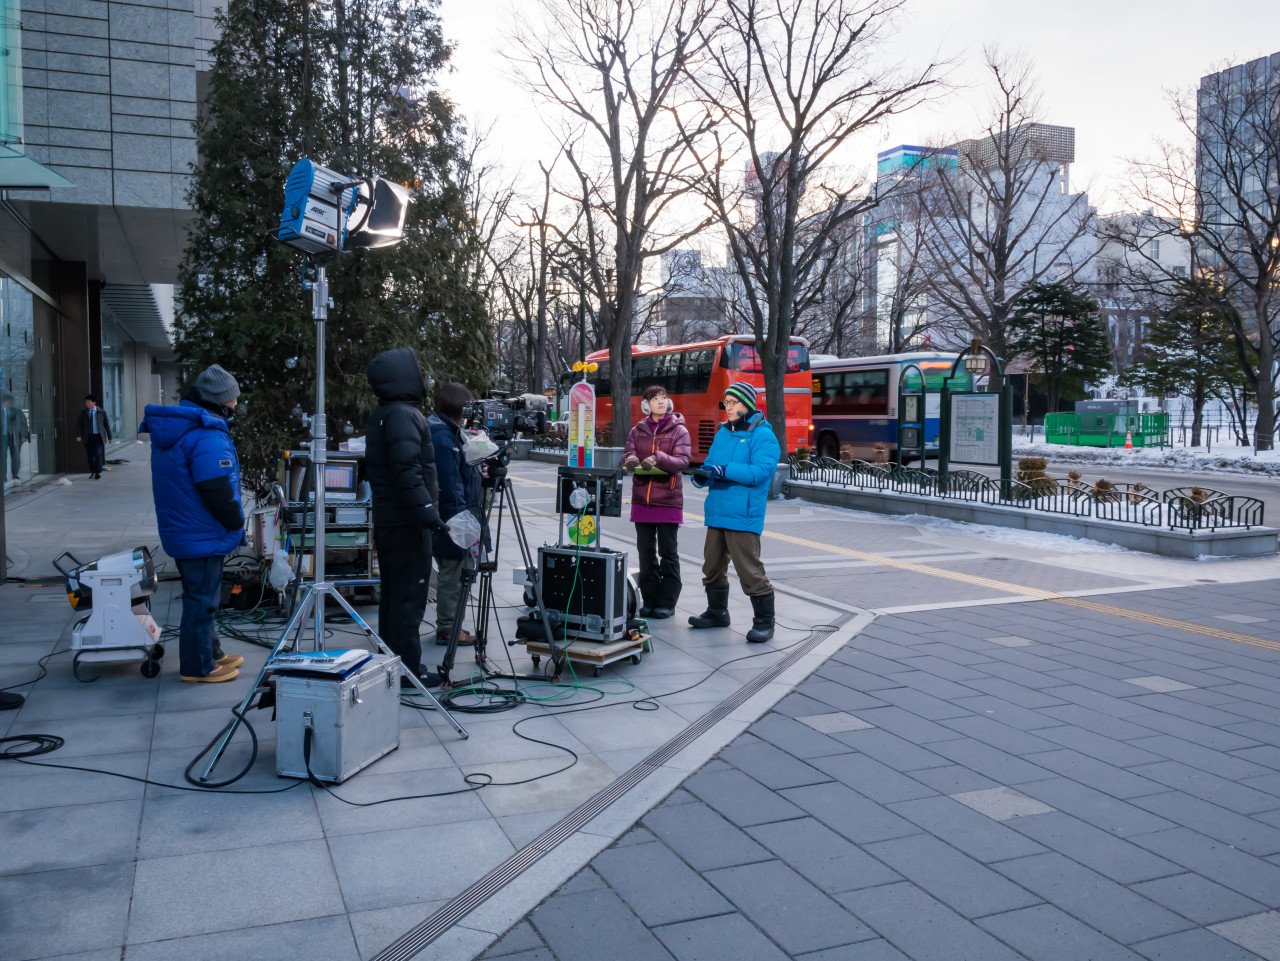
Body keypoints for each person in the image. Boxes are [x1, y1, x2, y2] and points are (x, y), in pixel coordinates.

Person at [141, 365, 246, 682]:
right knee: (201, 602)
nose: (237, 404)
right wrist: (236, 522)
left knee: (203, 599)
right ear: (220, 400)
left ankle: (211, 652)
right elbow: (215, 488)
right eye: (233, 399)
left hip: (188, 530)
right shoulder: (205, 434)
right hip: (202, 531)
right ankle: (197, 667)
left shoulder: (181, 428)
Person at [364, 347, 449, 688]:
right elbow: (408, 472)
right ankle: (407, 670)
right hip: (406, 522)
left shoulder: (386, 412)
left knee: (395, 595)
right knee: (409, 597)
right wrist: (428, 515)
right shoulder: (403, 415)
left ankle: (393, 663)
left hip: (392, 520)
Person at [688, 382, 780, 643]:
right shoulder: (722, 433)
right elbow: (711, 465)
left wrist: (723, 470)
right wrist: (702, 476)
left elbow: (760, 473)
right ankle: (717, 613)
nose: (726, 407)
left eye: (732, 402)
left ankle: (764, 621)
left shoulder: (763, 435)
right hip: (717, 511)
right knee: (712, 567)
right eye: (725, 403)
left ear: (746, 404)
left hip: (744, 514)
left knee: (750, 571)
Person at [623, 385, 691, 619]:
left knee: (668, 552)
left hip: (668, 500)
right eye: (655, 398)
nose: (660, 401)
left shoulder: (679, 430)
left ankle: (667, 602)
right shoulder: (637, 430)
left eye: (664, 397)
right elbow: (628, 453)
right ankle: (650, 599)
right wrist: (631, 459)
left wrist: (658, 458)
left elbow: (683, 460)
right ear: (646, 405)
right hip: (642, 500)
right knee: (645, 552)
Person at [429, 383, 484, 647]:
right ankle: (448, 628)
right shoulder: (442, 437)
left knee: (459, 572)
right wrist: (463, 522)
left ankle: (452, 625)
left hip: (456, 516)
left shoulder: (448, 433)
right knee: (454, 574)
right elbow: (450, 485)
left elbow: (457, 475)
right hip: (454, 519)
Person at [76, 394, 112, 479]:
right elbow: (79, 425)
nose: (87, 404)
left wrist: (109, 436)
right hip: (88, 437)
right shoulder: (83, 413)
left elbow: (106, 425)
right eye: (86, 402)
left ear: (94, 402)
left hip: (98, 437)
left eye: (88, 402)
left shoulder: (101, 412)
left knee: (98, 454)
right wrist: (79, 435)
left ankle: (98, 472)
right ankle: (93, 471)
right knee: (90, 456)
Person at [2, 394, 29, 483]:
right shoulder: (1, 412)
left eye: (12, 401)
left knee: (15, 456)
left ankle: (15, 474)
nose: (11, 403)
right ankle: (3, 476)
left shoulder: (17, 412)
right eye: (10, 401)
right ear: (4, 402)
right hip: (3, 437)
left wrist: (24, 435)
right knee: (3, 457)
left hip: (15, 437)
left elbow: (24, 424)